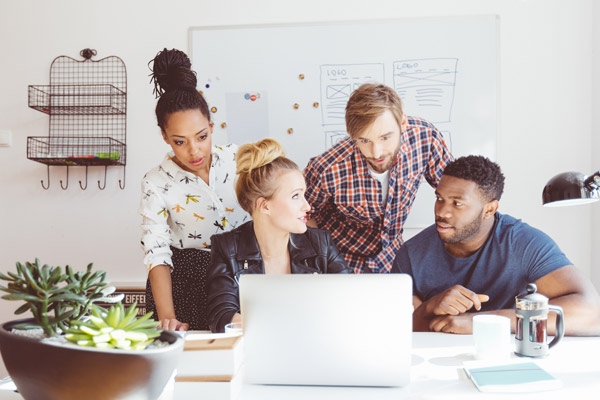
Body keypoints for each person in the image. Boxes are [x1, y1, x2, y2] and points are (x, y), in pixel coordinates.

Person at [392, 155, 600, 335]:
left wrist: (483, 322)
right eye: (439, 199)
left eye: (457, 203)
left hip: (510, 361)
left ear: (489, 209)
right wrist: (430, 307)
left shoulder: (522, 243)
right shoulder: (412, 254)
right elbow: (400, 330)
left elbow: (591, 312)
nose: (442, 212)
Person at [139, 48, 248, 331]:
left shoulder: (240, 160)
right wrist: (168, 318)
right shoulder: (156, 182)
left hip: (245, 274)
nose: (194, 150)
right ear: (164, 137)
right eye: (179, 141)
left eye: (202, 137)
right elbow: (157, 253)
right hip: (186, 285)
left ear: (212, 126)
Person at [304, 83, 453, 273]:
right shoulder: (326, 168)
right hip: (341, 262)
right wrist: (326, 260)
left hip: (394, 257)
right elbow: (305, 213)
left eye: (385, 137)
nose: (377, 153)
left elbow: (453, 188)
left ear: (403, 124)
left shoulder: (426, 138)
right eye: (365, 140)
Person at [207, 138, 351, 333]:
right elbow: (221, 315)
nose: (307, 206)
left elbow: (351, 297)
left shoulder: (321, 244)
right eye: (295, 196)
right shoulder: (227, 247)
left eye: (304, 194)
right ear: (265, 206)